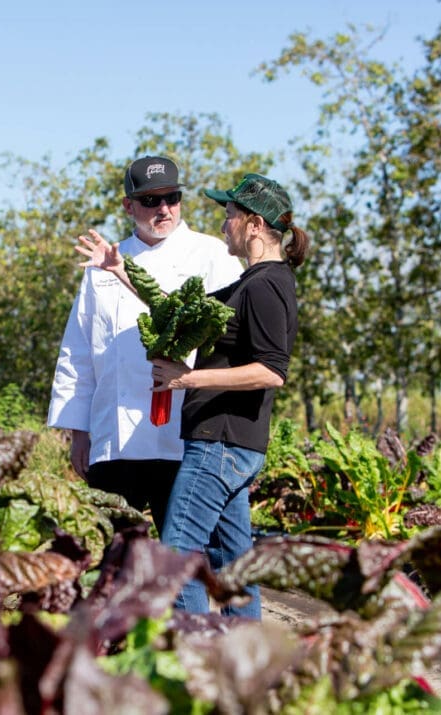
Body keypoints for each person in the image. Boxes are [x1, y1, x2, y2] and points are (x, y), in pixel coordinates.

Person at [76, 173, 310, 619]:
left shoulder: (265, 285)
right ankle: (242, 670)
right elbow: (176, 309)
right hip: (228, 443)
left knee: (177, 558)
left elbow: (271, 371)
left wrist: (186, 379)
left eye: (230, 215)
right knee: (231, 564)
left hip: (220, 444)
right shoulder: (252, 281)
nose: (224, 224)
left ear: (254, 224)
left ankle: (198, 656)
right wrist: (122, 270)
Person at [47, 156, 243, 535]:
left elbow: (230, 344)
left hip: (186, 438)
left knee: (184, 565)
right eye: (151, 201)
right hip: (114, 440)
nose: (164, 209)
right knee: (114, 558)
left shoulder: (213, 255)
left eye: (171, 197)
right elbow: (79, 351)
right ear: (129, 205)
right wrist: (79, 432)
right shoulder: (103, 262)